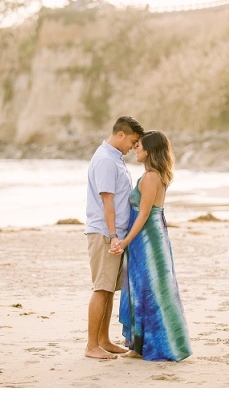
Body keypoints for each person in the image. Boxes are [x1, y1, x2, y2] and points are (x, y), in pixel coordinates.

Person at [109, 130, 193, 361]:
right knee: (149, 288)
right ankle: (141, 346)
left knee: (146, 289)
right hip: (152, 235)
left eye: (139, 146)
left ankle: (145, 347)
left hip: (146, 238)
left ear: (150, 150)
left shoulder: (150, 177)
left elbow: (144, 214)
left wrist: (126, 240)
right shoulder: (157, 175)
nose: (135, 148)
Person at [84, 116, 145, 360]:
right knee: (101, 288)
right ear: (121, 135)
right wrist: (113, 236)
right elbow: (107, 202)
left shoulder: (114, 158)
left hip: (113, 232)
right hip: (104, 232)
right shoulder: (106, 161)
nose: (133, 146)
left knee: (109, 289)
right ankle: (91, 345)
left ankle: (104, 340)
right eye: (132, 141)